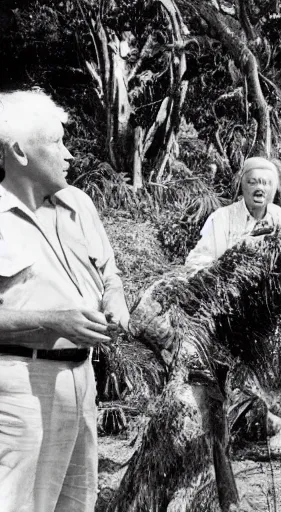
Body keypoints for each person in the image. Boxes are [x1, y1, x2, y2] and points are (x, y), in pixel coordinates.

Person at [0, 88, 129, 511]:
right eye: (56, 142)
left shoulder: (80, 204)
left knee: (76, 502)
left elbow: (109, 274)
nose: (68, 154)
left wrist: (116, 302)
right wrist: (53, 320)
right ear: (19, 150)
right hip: (19, 384)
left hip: (81, 378)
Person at [184, 156, 281, 268]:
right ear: (242, 185)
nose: (260, 188)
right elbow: (197, 261)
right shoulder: (222, 218)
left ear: (274, 190)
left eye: (267, 183)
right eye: (253, 182)